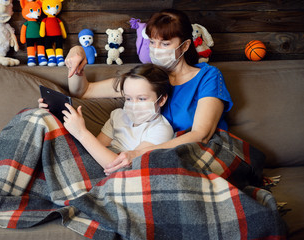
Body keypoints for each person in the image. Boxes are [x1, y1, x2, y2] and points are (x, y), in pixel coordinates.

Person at [64, 9, 233, 174]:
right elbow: (84, 91)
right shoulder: (147, 77)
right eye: (152, 42)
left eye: (165, 44)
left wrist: (139, 153)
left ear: (185, 45)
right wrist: (76, 54)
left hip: (198, 152)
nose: (156, 49)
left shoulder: (207, 76)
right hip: (155, 157)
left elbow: (201, 135)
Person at [39, 64, 174, 169]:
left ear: (161, 100)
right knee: (40, 118)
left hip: (112, 172)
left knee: (35, 120)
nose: (133, 105)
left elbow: (120, 166)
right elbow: (95, 149)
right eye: (128, 98)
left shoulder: (161, 129)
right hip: (96, 161)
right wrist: (53, 115)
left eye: (142, 99)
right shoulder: (118, 115)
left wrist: (81, 132)